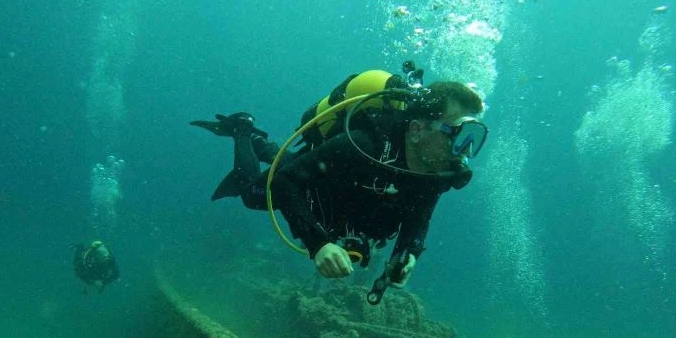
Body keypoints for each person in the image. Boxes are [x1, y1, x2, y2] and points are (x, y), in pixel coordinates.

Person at [191, 68, 486, 301]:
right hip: (312, 186)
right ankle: (244, 130)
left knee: (300, 164)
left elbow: (419, 216)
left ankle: (267, 148)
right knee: (251, 196)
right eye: (456, 133)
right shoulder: (364, 144)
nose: (463, 150)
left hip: (329, 179)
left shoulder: (434, 173)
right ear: (417, 130)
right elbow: (286, 181)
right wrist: (318, 243)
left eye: (472, 137)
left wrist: (406, 254)